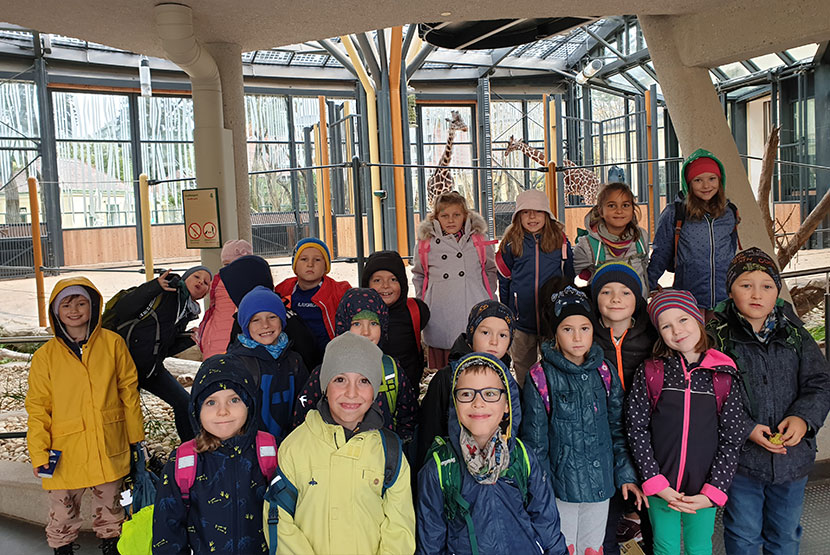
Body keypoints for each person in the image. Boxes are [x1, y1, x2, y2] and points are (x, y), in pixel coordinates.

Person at [707, 248, 830, 554]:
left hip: (793, 460)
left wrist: (804, 419)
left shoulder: (795, 334)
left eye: (767, 286)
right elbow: (707, 396)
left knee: (785, 535)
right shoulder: (715, 337)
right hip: (740, 462)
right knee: (743, 533)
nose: (756, 294)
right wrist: (745, 428)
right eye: (746, 285)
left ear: (777, 290)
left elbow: (819, 382)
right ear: (730, 289)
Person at [264, 333, 416, 554]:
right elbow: (279, 518)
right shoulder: (295, 447)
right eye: (340, 380)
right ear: (325, 385)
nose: (351, 393)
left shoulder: (389, 451)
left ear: (375, 390)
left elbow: (400, 528)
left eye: (363, 381)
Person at [26, 278, 144, 555]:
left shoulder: (113, 344)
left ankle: (112, 547)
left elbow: (129, 392)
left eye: (81, 303)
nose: (75, 310)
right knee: (63, 512)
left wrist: (136, 439)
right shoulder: (45, 357)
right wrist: (39, 452)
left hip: (108, 443)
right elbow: (38, 407)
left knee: (112, 509)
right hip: (65, 450)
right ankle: (63, 549)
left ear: (93, 306)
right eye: (66, 304)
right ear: (55, 311)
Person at [521, 286, 642, 555]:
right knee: (562, 547)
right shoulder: (540, 377)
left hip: (600, 486)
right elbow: (535, 442)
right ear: (555, 333)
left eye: (584, 328)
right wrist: (538, 490)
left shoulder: (604, 372)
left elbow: (618, 430)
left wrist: (624, 474)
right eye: (567, 329)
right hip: (560, 487)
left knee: (592, 548)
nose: (577, 337)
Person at [626, 289, 744, 555]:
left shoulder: (724, 375)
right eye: (666, 325)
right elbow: (636, 428)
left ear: (698, 319)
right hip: (661, 487)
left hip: (703, 489)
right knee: (664, 547)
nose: (677, 330)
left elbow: (732, 437)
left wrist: (714, 490)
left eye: (683, 320)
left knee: (699, 547)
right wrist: (654, 480)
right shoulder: (652, 372)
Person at [416, 352, 568, 554]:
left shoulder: (522, 457)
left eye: (490, 394)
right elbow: (430, 540)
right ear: (455, 404)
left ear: (507, 404)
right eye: (466, 394)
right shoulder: (440, 467)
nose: (478, 403)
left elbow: (545, 520)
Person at [152, 354, 274, 554]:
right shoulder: (184, 462)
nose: (223, 411)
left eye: (234, 400)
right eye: (211, 402)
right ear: (196, 409)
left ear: (249, 404)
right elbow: (167, 530)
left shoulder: (269, 452)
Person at [590, 262, 658, 552]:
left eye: (625, 292)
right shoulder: (586, 337)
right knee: (606, 518)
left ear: (638, 300)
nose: (616, 298)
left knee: (652, 517)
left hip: (648, 440)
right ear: (595, 299)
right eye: (606, 291)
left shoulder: (653, 336)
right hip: (604, 441)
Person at [292, 287, 417, 444]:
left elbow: (408, 416)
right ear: (344, 325)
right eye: (357, 323)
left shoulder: (391, 370)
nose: (366, 332)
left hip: (379, 457)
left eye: (373, 323)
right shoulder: (325, 371)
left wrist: (397, 448)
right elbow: (303, 420)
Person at [109, 265, 211, 441]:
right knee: (123, 416)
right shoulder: (165, 291)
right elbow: (124, 309)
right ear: (185, 278)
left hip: (150, 369)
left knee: (184, 403)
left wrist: (188, 340)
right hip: (124, 367)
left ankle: (192, 453)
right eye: (196, 276)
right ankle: (133, 461)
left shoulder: (186, 310)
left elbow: (163, 347)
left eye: (206, 282)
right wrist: (154, 286)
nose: (201, 281)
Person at [417, 299, 514, 467]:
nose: (494, 341)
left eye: (503, 335)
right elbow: (428, 434)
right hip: (451, 472)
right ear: (471, 334)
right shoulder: (446, 379)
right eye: (485, 332)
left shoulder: (509, 383)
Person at [496, 188, 574, 386]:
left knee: (555, 368)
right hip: (522, 322)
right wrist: (508, 314)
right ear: (518, 216)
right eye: (525, 211)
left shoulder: (560, 241)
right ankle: (525, 406)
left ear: (546, 214)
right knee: (524, 369)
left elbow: (569, 278)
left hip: (553, 321)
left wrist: (566, 313)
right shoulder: (510, 244)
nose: (532, 216)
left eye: (538, 211)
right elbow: (504, 281)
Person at [413, 191, 497, 370]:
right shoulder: (425, 243)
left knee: (474, 364)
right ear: (436, 217)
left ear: (465, 216)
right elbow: (419, 274)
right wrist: (425, 300)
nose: (450, 220)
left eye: (456, 215)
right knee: (444, 370)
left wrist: (487, 296)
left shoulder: (479, 239)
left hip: (473, 306)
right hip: (439, 311)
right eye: (444, 215)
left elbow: (490, 269)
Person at [647, 149, 739, 312]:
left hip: (724, 298)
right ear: (688, 183)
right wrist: (649, 283)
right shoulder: (675, 213)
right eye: (698, 180)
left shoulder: (729, 212)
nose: (706, 186)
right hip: (689, 297)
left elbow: (731, 251)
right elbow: (661, 252)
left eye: (712, 178)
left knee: (718, 336)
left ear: (720, 180)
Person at [225, 285, 309, 443]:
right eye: (255, 320)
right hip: (251, 447)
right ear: (245, 326)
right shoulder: (237, 363)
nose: (265, 325)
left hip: (289, 443)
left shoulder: (294, 360)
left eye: (272, 317)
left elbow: (305, 400)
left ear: (282, 320)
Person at [361, 250, 430, 392]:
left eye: (393, 279)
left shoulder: (416, 310)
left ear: (403, 283)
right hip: (371, 393)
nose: (385, 286)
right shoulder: (358, 315)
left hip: (409, 392)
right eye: (377, 280)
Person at [275, 237, 351, 355]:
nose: (310, 264)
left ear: (326, 267)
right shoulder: (283, 289)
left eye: (317, 260)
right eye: (304, 259)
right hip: (294, 357)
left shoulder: (339, 291)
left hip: (329, 356)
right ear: (295, 266)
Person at [574, 182, 648, 294]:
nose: (619, 211)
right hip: (603, 309)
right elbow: (571, 274)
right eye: (612, 205)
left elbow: (644, 265)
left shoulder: (641, 238)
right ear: (600, 211)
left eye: (625, 205)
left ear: (633, 209)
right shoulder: (587, 245)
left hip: (638, 306)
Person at [197, 239, 254, 359]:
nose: (229, 269)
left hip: (216, 339)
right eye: (226, 265)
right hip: (223, 337)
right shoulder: (255, 279)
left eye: (233, 264)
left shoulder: (219, 280)